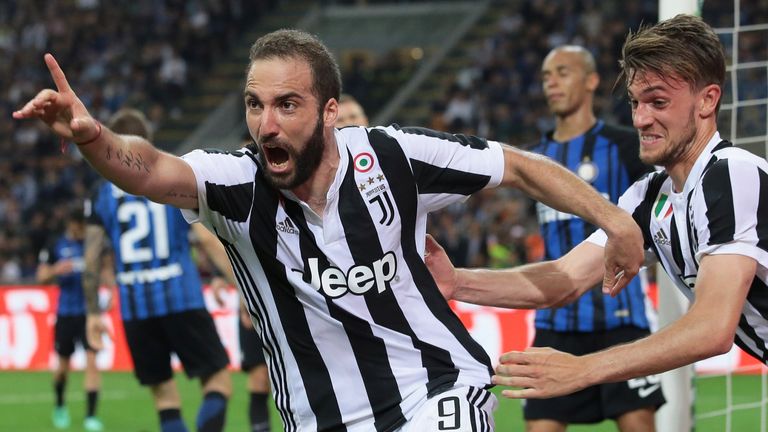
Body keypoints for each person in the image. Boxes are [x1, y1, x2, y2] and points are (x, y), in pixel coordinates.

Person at [13, 29, 645, 431]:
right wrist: (94, 136)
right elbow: (149, 168)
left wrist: (614, 219)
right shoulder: (233, 184)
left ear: (330, 112)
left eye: (287, 105)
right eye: (255, 105)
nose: (266, 124)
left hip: (436, 393)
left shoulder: (391, 156)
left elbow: (520, 167)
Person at [423, 14, 768, 402]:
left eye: (658, 102)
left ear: (708, 100)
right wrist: (458, 283)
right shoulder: (647, 198)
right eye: (636, 103)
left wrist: (583, 368)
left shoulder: (732, 175)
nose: (640, 119)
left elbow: (711, 328)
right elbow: (565, 277)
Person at [524, 45, 663, 431]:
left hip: (620, 316)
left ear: (591, 81)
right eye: (547, 75)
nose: (551, 82)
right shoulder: (536, 158)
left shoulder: (624, 145)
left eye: (563, 72)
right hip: (556, 322)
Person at [80, 108, 233, 432]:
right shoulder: (169, 181)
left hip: (136, 309)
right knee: (218, 379)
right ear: (146, 143)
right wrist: (245, 286)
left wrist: (93, 312)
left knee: (164, 396)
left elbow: (91, 258)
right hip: (182, 299)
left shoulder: (101, 194)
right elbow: (206, 242)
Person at [36, 207, 104, 431]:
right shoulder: (56, 244)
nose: (81, 231)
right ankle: (59, 406)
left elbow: (107, 271)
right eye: (79, 226)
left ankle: (91, 417)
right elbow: (41, 277)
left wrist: (110, 289)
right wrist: (56, 270)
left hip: (89, 314)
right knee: (63, 367)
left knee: (92, 363)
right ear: (71, 224)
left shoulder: (92, 244)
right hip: (65, 314)